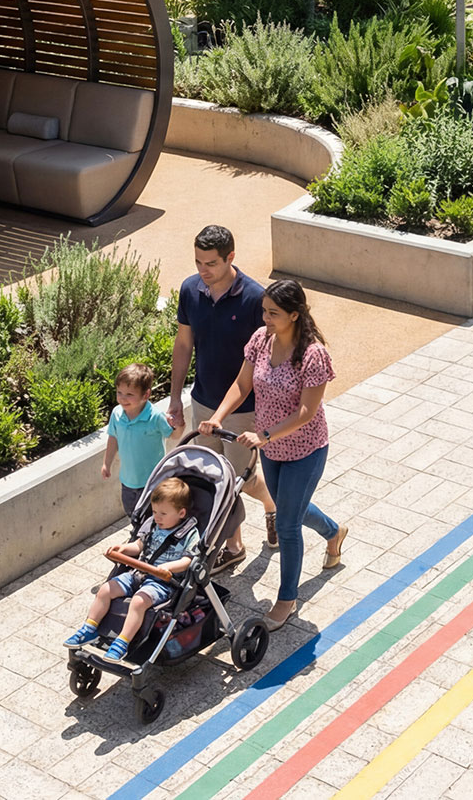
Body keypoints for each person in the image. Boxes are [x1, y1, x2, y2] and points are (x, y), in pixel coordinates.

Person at [201, 279, 346, 628]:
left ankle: (286, 599)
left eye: (273, 313)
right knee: (289, 508)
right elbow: (241, 384)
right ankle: (334, 532)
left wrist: (264, 434)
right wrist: (217, 416)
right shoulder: (260, 340)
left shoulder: (313, 355)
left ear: (294, 315)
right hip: (271, 447)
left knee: (287, 524)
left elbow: (306, 412)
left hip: (304, 448)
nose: (265, 317)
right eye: (264, 310)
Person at [169, 225, 278, 568]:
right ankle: (234, 546)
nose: (203, 271)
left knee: (242, 481)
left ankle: (273, 505)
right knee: (214, 481)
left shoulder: (254, 300)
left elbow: (267, 361)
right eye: (199, 262)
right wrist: (175, 398)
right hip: (202, 402)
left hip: (242, 410)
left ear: (231, 257)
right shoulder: (190, 290)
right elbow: (184, 344)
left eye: (211, 263)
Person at [63, 478, 204, 662]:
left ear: (181, 513)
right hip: (138, 573)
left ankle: (122, 642)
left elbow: (188, 561)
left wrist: (167, 567)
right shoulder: (152, 524)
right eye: (154, 511)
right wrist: (123, 549)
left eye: (163, 513)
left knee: (138, 602)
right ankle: (89, 628)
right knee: (106, 589)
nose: (157, 517)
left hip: (162, 582)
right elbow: (138, 546)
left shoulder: (189, 533)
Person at [103, 363, 173, 522]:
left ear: (146, 395)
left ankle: (146, 540)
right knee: (132, 514)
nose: (122, 398)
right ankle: (137, 534)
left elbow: (174, 435)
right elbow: (113, 438)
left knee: (151, 517)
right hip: (128, 481)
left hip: (152, 481)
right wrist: (106, 463)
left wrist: (178, 424)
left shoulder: (155, 416)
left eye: (129, 394)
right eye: (119, 392)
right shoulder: (117, 413)